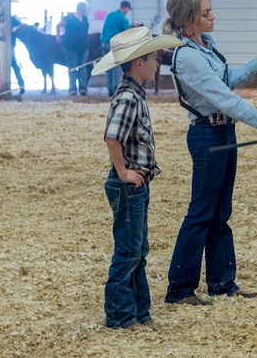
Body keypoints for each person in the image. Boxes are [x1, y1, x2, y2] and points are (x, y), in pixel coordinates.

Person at [161, 0, 257, 306]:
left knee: (220, 210)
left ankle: (221, 282)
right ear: (189, 19)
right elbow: (225, 99)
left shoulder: (206, 44)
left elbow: (227, 80)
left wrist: (256, 62)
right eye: (206, 13)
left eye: (211, 10)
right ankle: (179, 288)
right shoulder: (187, 56)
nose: (213, 16)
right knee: (201, 212)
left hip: (224, 133)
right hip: (206, 135)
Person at [94, 26, 184, 330]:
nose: (158, 62)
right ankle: (120, 317)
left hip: (134, 184)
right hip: (127, 184)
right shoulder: (129, 98)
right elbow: (112, 137)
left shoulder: (133, 93)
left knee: (138, 250)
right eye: (154, 58)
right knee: (129, 252)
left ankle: (139, 313)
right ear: (139, 63)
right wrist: (122, 171)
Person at [56, 1, 90, 95]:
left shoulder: (85, 18)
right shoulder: (70, 17)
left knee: (83, 67)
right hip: (71, 47)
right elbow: (58, 25)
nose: (87, 10)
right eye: (86, 8)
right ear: (82, 8)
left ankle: (83, 88)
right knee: (73, 67)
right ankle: (72, 89)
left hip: (83, 46)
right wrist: (58, 37)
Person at [100, 0, 133, 96]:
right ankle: (116, 89)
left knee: (108, 67)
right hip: (115, 45)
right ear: (126, 8)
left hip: (104, 43)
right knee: (116, 68)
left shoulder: (110, 15)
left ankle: (110, 90)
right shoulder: (123, 19)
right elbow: (127, 34)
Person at [10, 15, 25, 94]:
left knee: (14, 65)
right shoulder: (7, 16)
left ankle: (21, 84)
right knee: (14, 65)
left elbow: (20, 25)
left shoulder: (7, 16)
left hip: (9, 46)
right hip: (9, 45)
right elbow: (20, 25)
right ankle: (21, 84)